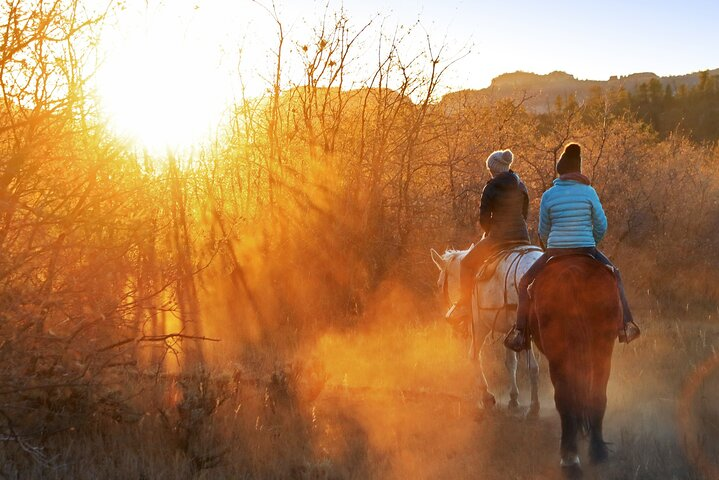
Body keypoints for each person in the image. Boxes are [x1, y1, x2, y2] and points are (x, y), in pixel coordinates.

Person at [503, 143, 641, 352]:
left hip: (556, 251)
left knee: (524, 284)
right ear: (578, 170)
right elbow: (602, 224)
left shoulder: (549, 195)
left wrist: (553, 245)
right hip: (587, 249)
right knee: (615, 274)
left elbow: (543, 229)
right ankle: (626, 325)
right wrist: (590, 241)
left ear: (561, 172)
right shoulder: (589, 192)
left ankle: (520, 333)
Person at [447, 149, 531, 324]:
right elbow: (525, 213)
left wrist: (490, 232)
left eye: (490, 169)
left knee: (466, 263)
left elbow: (484, 219)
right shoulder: (521, 185)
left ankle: (465, 305)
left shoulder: (491, 187)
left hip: (499, 239)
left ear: (494, 169)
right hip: (523, 237)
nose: (490, 172)